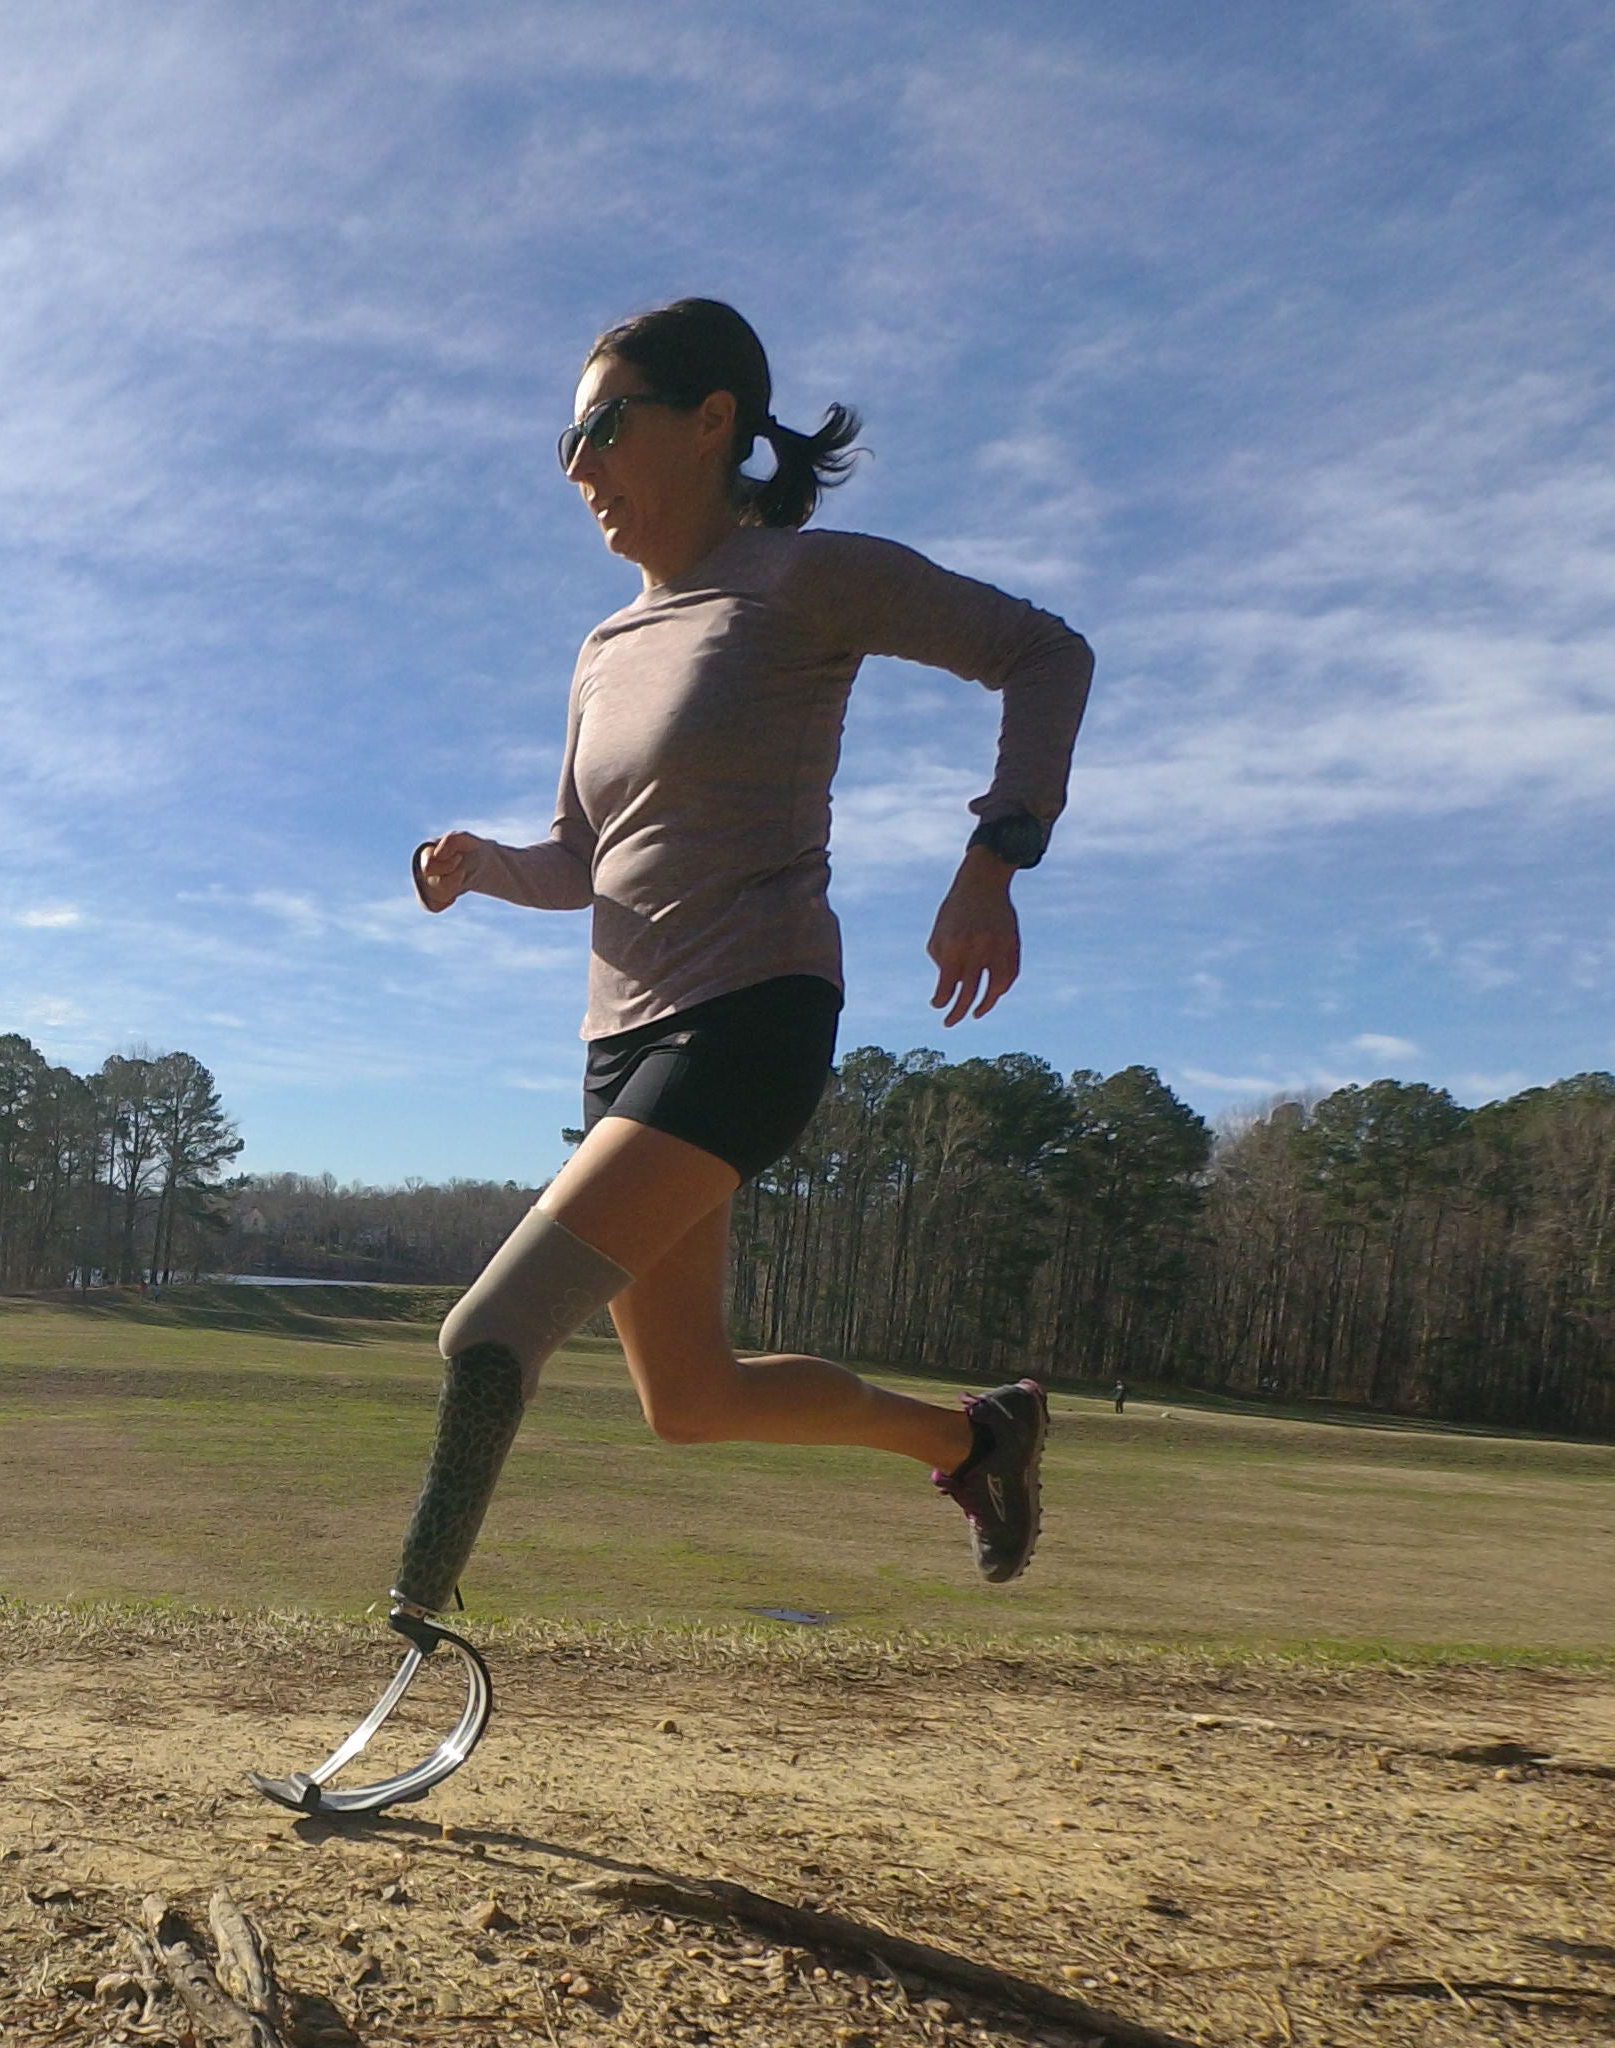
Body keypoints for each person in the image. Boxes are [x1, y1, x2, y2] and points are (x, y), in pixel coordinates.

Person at [388, 295, 1092, 1640]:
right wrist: (487, 863)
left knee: (490, 1331)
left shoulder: (804, 578)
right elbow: (586, 858)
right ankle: (974, 1438)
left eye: (602, 427)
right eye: (566, 443)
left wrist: (997, 855)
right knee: (689, 1399)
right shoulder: (604, 649)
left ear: (712, 422)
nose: (579, 465)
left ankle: (411, 1627)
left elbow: (1042, 654)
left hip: (748, 1014)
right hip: (620, 1044)